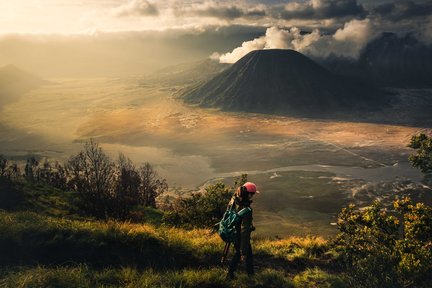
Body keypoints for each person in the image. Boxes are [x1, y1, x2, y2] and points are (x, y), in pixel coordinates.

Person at [227, 182, 259, 279]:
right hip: (240, 236)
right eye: (252, 194)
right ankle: (250, 276)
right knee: (246, 254)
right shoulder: (247, 210)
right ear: (249, 194)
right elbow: (244, 231)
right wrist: (243, 251)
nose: (252, 196)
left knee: (239, 253)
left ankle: (231, 274)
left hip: (233, 232)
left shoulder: (234, 200)